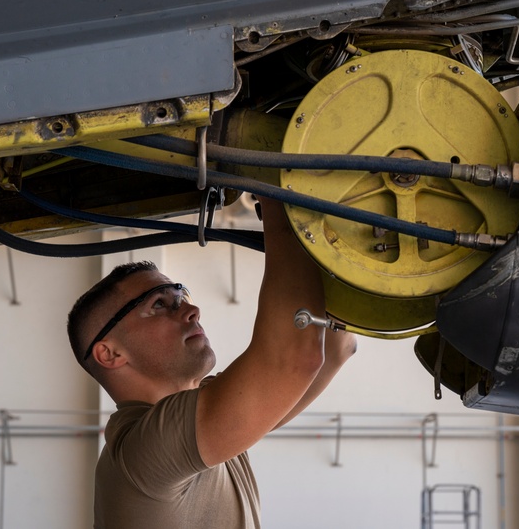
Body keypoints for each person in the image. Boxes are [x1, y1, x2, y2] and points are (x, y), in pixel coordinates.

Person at [66, 197, 357, 529]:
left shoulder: (206, 418)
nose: (191, 311)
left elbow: (337, 348)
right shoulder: (143, 453)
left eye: (180, 297)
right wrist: (281, 199)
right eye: (159, 305)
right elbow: (296, 358)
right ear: (111, 354)